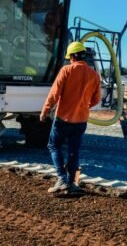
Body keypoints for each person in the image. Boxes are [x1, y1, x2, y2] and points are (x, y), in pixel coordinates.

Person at [40, 41, 101, 193]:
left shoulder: (66, 70)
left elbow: (54, 94)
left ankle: (61, 178)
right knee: (74, 151)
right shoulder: (94, 75)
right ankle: (72, 183)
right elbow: (96, 99)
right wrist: (83, 107)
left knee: (53, 145)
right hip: (81, 120)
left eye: (70, 58)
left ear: (73, 56)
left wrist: (45, 110)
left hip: (63, 118)